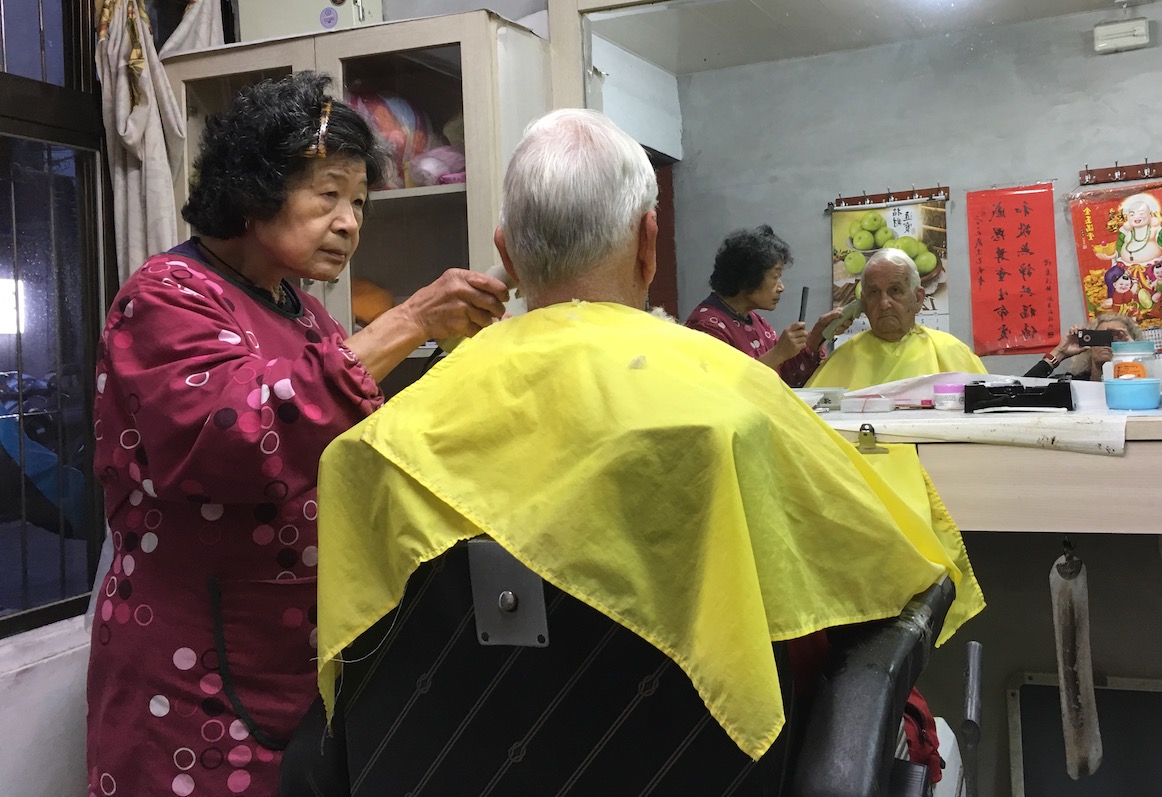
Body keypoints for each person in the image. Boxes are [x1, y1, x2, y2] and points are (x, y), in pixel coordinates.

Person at [315, 109, 984, 766]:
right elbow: (890, 573)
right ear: (647, 239)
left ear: (506, 252)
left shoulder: (377, 443)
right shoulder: (730, 405)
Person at [85, 72, 509, 797]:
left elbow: (349, 443)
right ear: (255, 188)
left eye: (360, 203)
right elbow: (235, 440)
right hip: (188, 672)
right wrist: (405, 323)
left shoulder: (303, 313)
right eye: (328, 195)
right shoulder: (165, 297)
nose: (350, 221)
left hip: (291, 658)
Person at [685, 225, 843, 387]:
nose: (781, 287)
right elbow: (722, 390)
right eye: (775, 276)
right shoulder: (706, 326)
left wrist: (818, 334)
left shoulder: (755, 320)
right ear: (748, 277)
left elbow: (789, 378)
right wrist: (778, 353)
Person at [806, 249, 986, 389]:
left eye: (895, 291)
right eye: (874, 293)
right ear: (863, 303)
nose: (884, 303)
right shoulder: (844, 357)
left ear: (918, 298)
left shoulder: (951, 351)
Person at [1025, 313, 1142, 381]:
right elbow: (1016, 394)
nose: (1107, 344)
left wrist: (1134, 351)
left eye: (1116, 338)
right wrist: (1060, 353)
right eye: (1101, 337)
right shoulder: (1073, 385)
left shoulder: (1143, 385)